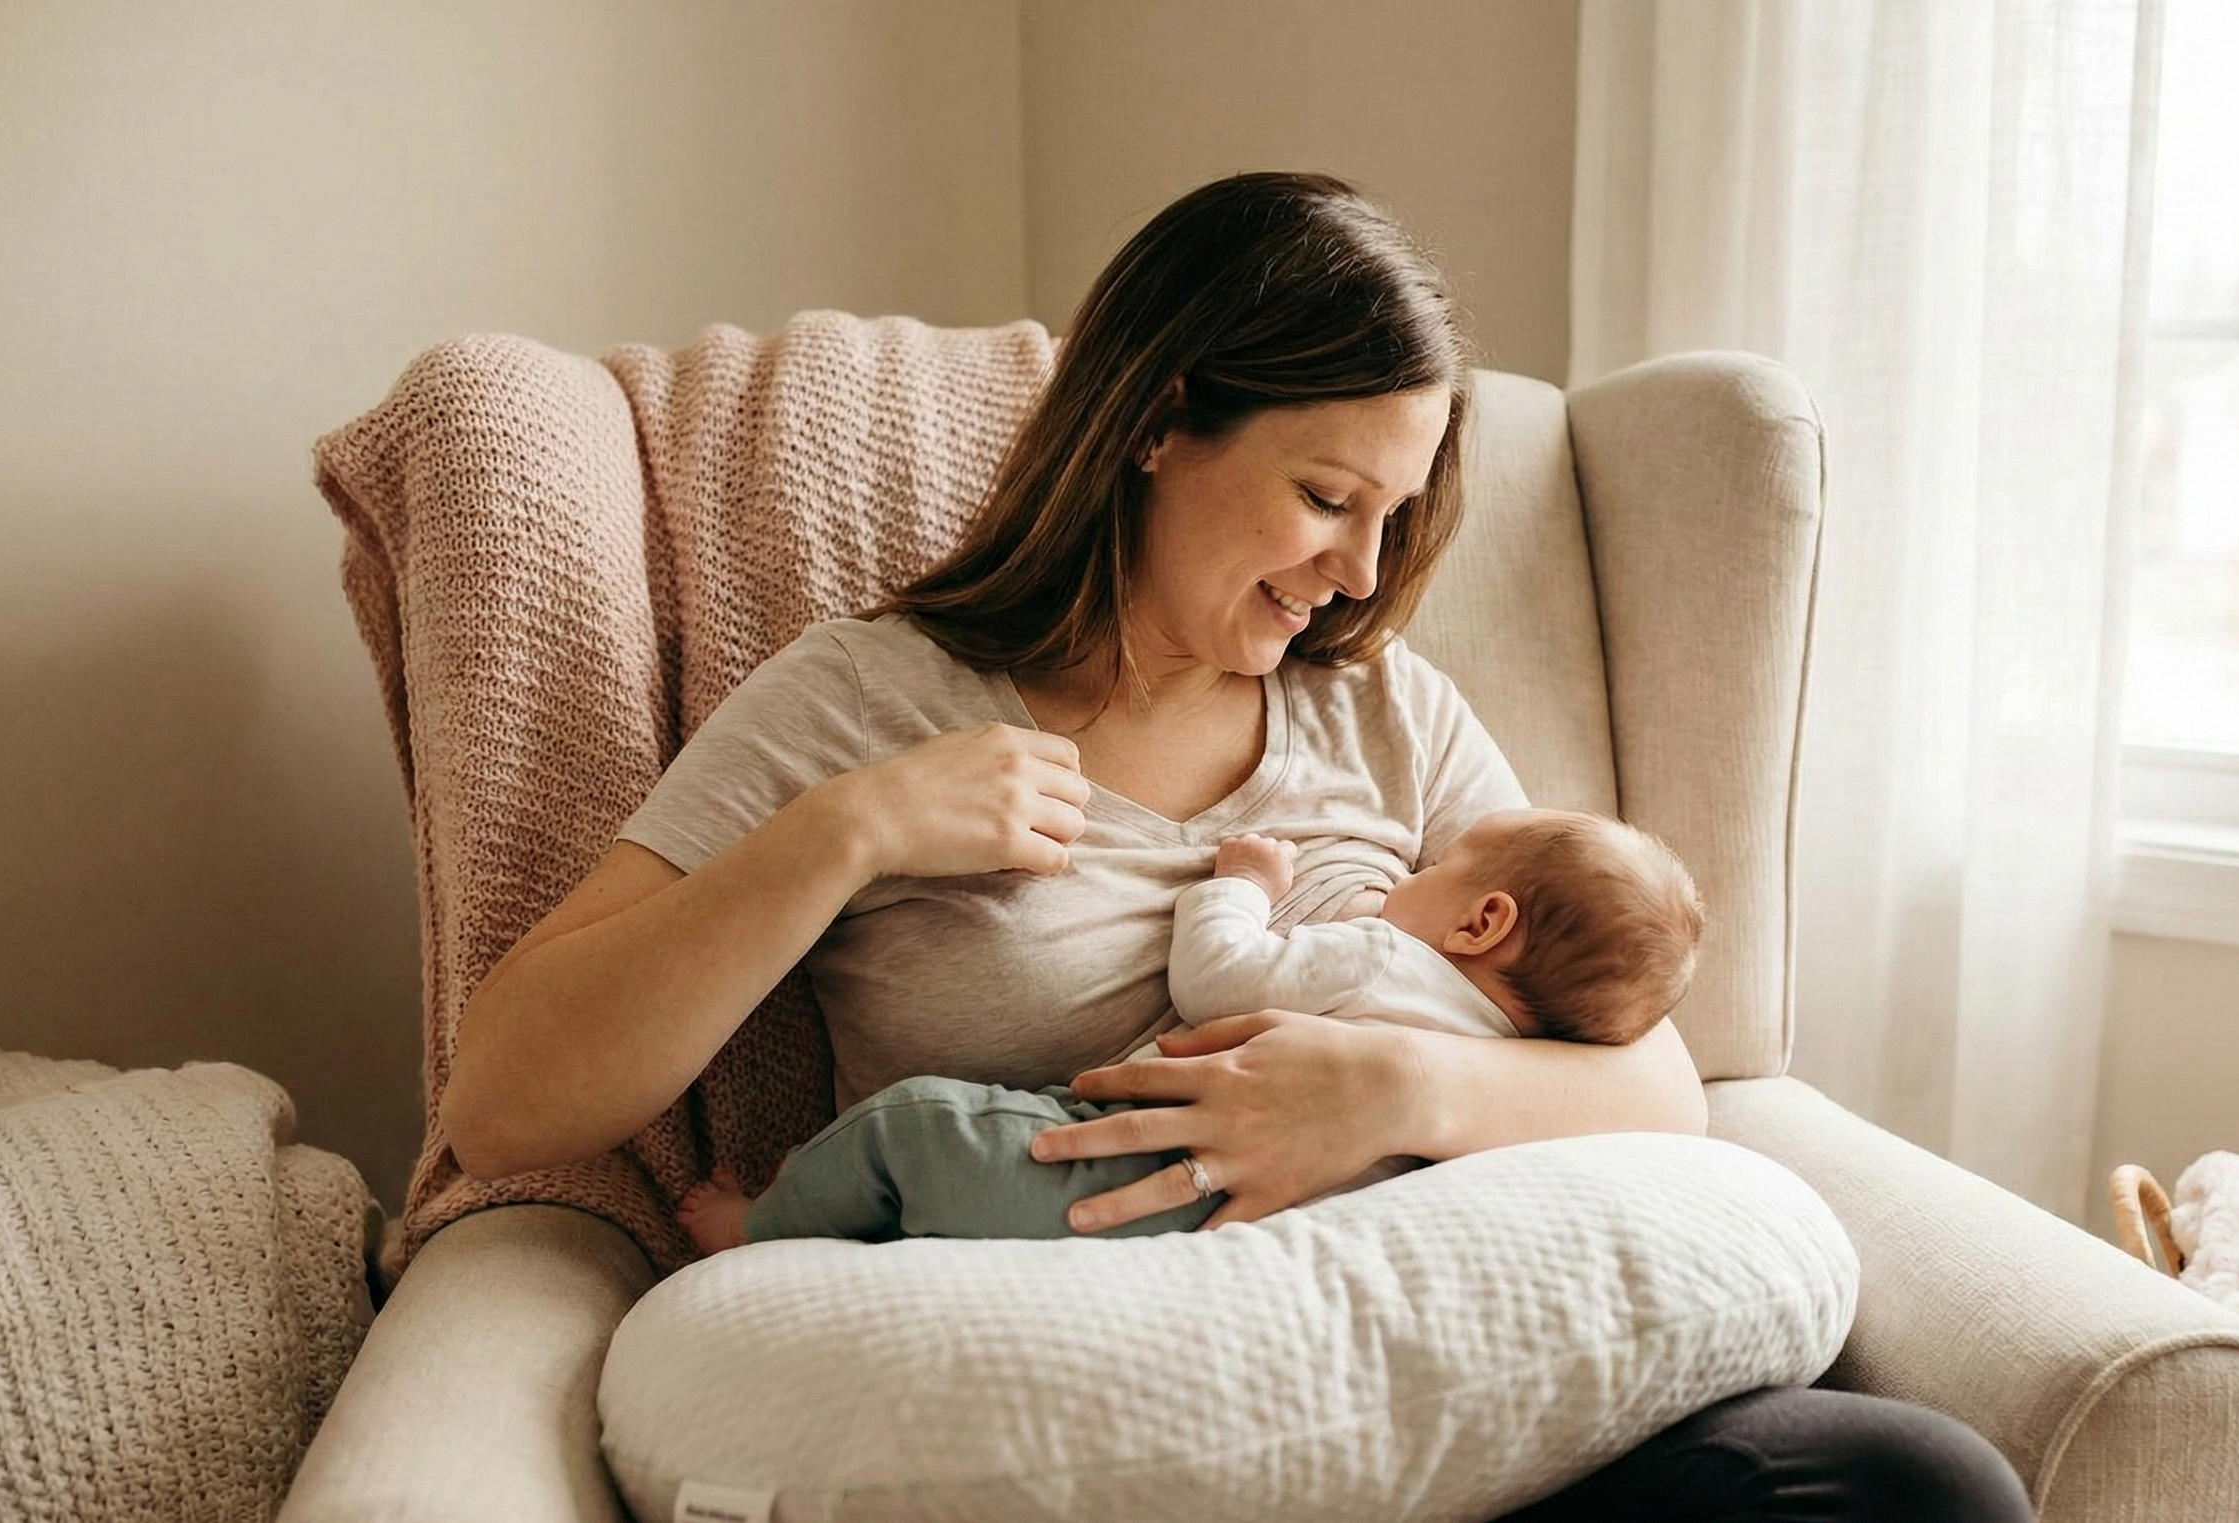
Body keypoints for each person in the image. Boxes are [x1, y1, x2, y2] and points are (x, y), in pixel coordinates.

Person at [441, 171, 2031, 1522]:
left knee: (1910, 1479)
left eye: (1394, 519)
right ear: (1158, 423)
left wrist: (1389, 1088)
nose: (1358, 571)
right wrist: (844, 832)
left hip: (1393, 1356)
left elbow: (1659, 1085)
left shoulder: (1389, 711)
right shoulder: (870, 702)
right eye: (1328, 496)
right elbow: (509, 1092)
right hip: (1077, 1383)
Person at [674, 808, 1705, 1251]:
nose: (1404, 869)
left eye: (1433, 867)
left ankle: (755, 1227)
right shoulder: (1503, 1048)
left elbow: (1219, 980)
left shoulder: (1383, 954)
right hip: (1277, 1216)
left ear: (1482, 922)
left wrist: (1241, 886)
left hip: (1141, 1166)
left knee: (910, 1129)